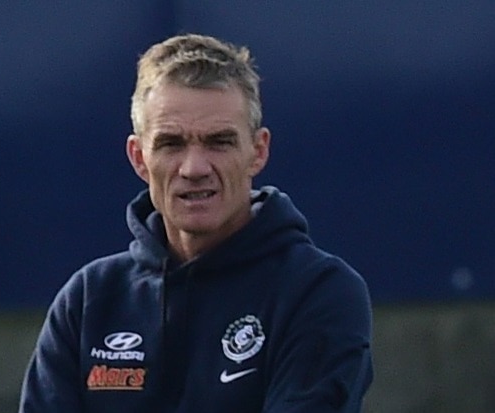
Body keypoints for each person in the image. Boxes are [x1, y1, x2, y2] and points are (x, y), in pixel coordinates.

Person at [19, 33, 373, 413]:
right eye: (171, 144)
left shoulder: (317, 292)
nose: (195, 168)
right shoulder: (89, 300)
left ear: (258, 151)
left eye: (219, 142)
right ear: (139, 158)